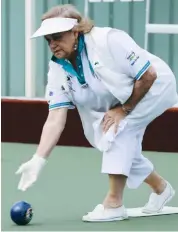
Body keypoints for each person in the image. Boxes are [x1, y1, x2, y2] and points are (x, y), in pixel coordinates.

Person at [16, 4, 178, 222]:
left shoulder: (108, 40)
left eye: (57, 36)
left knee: (118, 130)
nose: (52, 44)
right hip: (123, 97)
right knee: (110, 139)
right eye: (48, 40)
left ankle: (114, 203)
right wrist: (38, 159)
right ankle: (161, 188)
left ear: (75, 31)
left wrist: (124, 109)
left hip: (155, 87)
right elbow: (55, 119)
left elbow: (148, 75)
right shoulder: (58, 67)